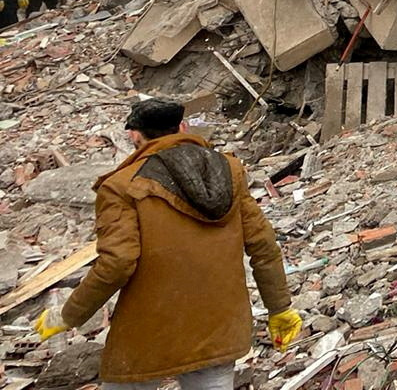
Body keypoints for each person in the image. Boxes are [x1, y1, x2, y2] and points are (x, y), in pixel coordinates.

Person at [32, 98, 301, 388]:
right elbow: (263, 245)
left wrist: (67, 315)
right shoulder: (231, 171)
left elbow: (117, 263)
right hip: (217, 328)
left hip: (147, 333)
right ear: (182, 127)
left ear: (134, 135)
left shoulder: (121, 186)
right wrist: (280, 308)